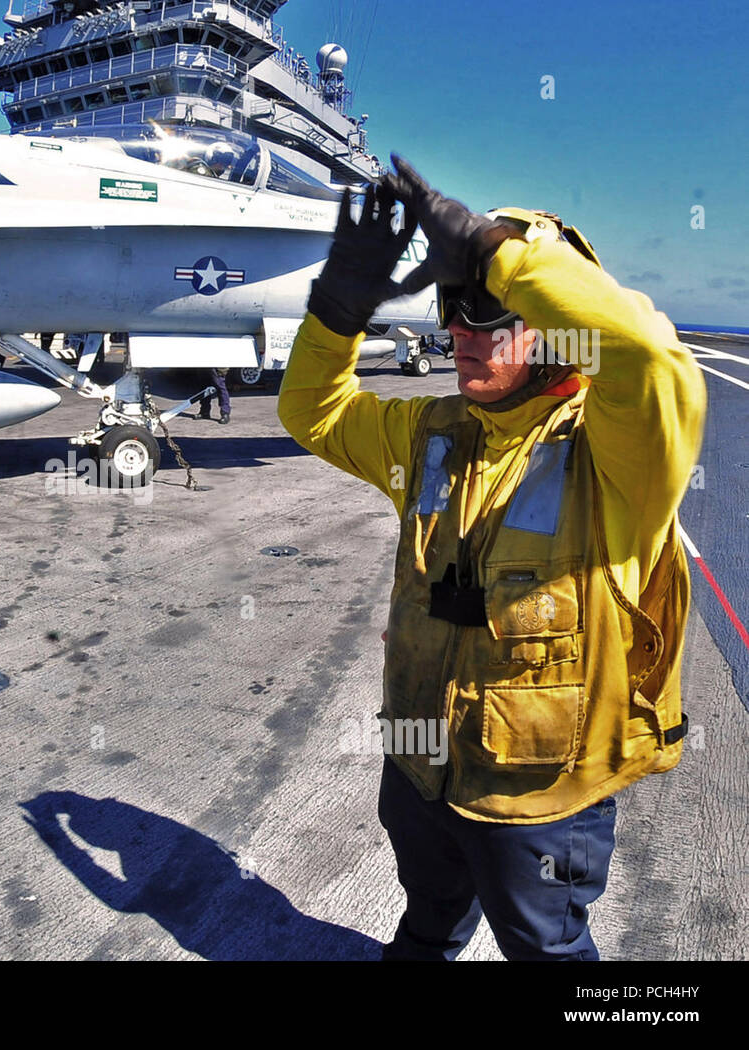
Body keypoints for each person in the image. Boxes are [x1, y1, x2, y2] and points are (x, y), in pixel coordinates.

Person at [277, 156, 706, 961]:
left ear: (560, 328)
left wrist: (495, 249)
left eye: (494, 315)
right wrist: (337, 311)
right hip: (419, 765)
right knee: (427, 927)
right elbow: (311, 411)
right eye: (455, 313)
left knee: (546, 951)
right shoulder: (429, 432)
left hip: (539, 800)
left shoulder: (621, 456)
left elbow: (651, 360)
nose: (463, 335)